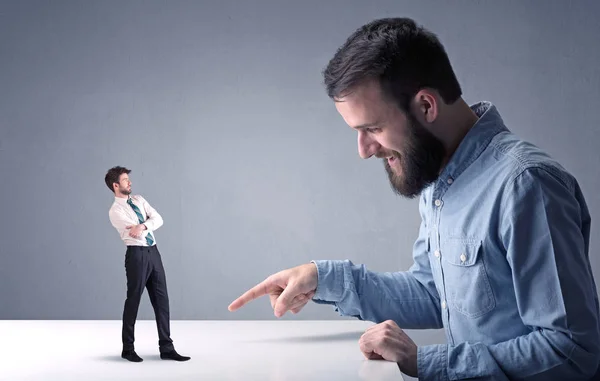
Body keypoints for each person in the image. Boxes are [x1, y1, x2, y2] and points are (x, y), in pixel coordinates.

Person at [228, 17, 600, 380]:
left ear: (426, 106)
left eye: (372, 128)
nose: (363, 150)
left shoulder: (527, 185)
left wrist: (424, 363)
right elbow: (433, 294)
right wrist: (322, 277)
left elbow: (570, 350)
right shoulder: (440, 178)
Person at [105, 166, 190, 363]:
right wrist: (143, 226)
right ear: (116, 185)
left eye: (129, 179)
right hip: (136, 255)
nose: (130, 182)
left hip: (154, 252)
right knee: (133, 300)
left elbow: (158, 219)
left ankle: (166, 348)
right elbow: (132, 234)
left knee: (162, 300)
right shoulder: (115, 211)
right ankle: (128, 348)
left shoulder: (139, 200)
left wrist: (142, 225)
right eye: (125, 180)